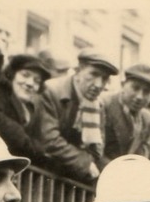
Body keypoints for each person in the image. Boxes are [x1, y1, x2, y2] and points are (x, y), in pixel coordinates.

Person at [37, 50, 117, 184]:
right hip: (45, 175)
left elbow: (97, 150)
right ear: (78, 71)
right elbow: (49, 140)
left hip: (73, 178)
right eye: (93, 74)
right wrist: (84, 163)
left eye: (104, 78)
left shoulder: (98, 105)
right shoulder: (51, 91)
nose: (98, 84)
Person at [0, 51, 53, 164]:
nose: (30, 83)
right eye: (25, 75)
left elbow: (42, 144)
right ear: (12, 74)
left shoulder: (33, 109)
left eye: (36, 81)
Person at [101, 63, 150, 165]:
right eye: (135, 88)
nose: (140, 96)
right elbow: (94, 153)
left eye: (146, 92)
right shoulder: (104, 105)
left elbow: (141, 154)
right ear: (123, 84)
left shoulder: (147, 120)